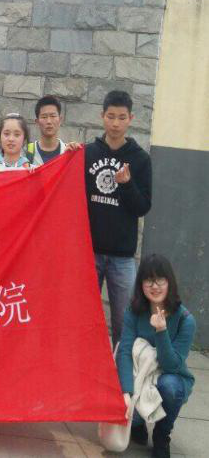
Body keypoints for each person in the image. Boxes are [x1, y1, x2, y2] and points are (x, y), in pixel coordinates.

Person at [86, 90, 152, 348]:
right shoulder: (88, 153)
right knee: (83, 318)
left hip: (122, 257)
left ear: (130, 119)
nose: (115, 123)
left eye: (121, 117)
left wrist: (126, 185)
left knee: (124, 323)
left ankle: (122, 369)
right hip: (88, 253)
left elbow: (142, 207)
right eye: (110, 116)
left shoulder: (140, 159)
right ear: (102, 116)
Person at [116, 254, 195, 458]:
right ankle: (138, 424)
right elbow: (125, 351)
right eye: (148, 280)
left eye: (160, 279)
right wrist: (126, 392)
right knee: (127, 409)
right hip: (138, 374)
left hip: (168, 375)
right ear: (141, 284)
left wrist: (161, 331)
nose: (155, 286)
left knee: (170, 387)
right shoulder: (133, 311)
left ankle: (162, 436)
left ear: (170, 282)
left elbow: (172, 365)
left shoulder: (185, 320)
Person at [27, 95, 67, 166]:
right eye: (44, 117)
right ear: (37, 122)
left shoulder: (68, 152)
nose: (49, 121)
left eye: (53, 116)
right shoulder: (27, 153)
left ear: (60, 120)